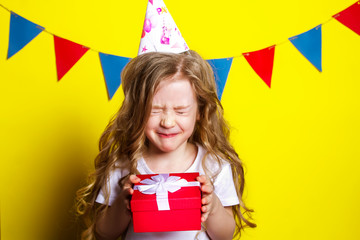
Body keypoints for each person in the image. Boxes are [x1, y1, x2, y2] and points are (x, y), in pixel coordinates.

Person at [76, 50, 256, 240]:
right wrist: (123, 203)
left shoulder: (214, 166)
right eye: (154, 110)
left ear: (200, 111)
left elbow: (225, 236)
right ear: (138, 111)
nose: (168, 122)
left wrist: (213, 208)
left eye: (180, 111)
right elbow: (104, 233)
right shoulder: (123, 166)